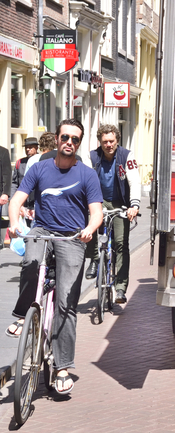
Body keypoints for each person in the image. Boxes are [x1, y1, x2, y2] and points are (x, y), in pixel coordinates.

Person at [6, 118, 103, 396]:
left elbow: (95, 211)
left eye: (75, 139)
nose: (69, 142)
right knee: (31, 261)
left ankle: (62, 368)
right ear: (57, 139)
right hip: (42, 229)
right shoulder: (39, 168)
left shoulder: (87, 174)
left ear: (79, 144)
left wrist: (89, 229)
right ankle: (25, 315)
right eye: (65, 137)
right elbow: (17, 200)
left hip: (72, 236)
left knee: (65, 303)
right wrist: (13, 224)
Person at [84, 124, 140, 305]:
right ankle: (94, 259)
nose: (108, 145)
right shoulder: (91, 157)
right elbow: (83, 180)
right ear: (100, 142)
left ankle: (121, 288)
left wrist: (134, 205)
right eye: (105, 142)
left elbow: (135, 181)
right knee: (90, 227)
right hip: (97, 201)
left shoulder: (126, 156)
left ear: (117, 140)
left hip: (120, 202)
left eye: (111, 141)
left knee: (121, 243)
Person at [10, 136, 39, 208]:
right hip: (22, 202)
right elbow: (14, 183)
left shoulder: (41, 161)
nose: (28, 149)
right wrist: (13, 200)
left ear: (36, 148)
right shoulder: (20, 162)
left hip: (36, 202)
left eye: (30, 147)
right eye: (26, 147)